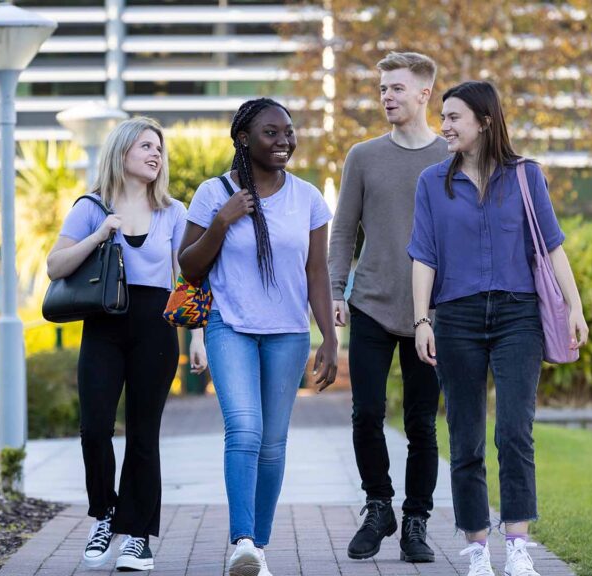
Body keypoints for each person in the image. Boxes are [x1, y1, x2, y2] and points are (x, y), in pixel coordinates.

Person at [409, 81, 589, 576]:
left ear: (485, 121)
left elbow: (552, 247)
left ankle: (518, 547)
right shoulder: (431, 182)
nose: (443, 126)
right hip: (457, 318)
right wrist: (421, 318)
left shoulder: (527, 177)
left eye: (453, 117)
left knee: (514, 432)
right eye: (442, 117)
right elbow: (423, 255)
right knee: (465, 438)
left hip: (518, 317)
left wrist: (575, 307)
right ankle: (476, 551)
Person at [178, 97, 338, 576]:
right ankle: (241, 539)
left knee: (273, 443)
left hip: (288, 333)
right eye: (272, 132)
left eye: (288, 131)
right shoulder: (213, 192)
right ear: (244, 139)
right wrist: (223, 221)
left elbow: (316, 275)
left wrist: (328, 337)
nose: (284, 140)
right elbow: (187, 265)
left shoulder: (308, 198)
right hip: (230, 326)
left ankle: (257, 550)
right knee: (244, 429)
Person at [46, 117, 207, 572]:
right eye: (145, 146)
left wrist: (197, 336)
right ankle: (105, 513)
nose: (156, 154)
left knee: (143, 433)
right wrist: (100, 234)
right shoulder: (91, 207)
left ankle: (138, 537)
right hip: (104, 324)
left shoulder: (173, 212)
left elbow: (187, 278)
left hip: (155, 326)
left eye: (159, 147)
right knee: (94, 428)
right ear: (121, 153)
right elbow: (55, 265)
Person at [327, 51, 448, 563]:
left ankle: (416, 520)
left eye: (397, 88)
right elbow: (343, 229)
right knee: (366, 413)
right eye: (382, 89)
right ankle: (379, 505)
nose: (386, 97)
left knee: (421, 422)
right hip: (373, 302)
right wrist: (336, 290)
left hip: (435, 315)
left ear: (424, 94)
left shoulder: (451, 156)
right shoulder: (362, 156)